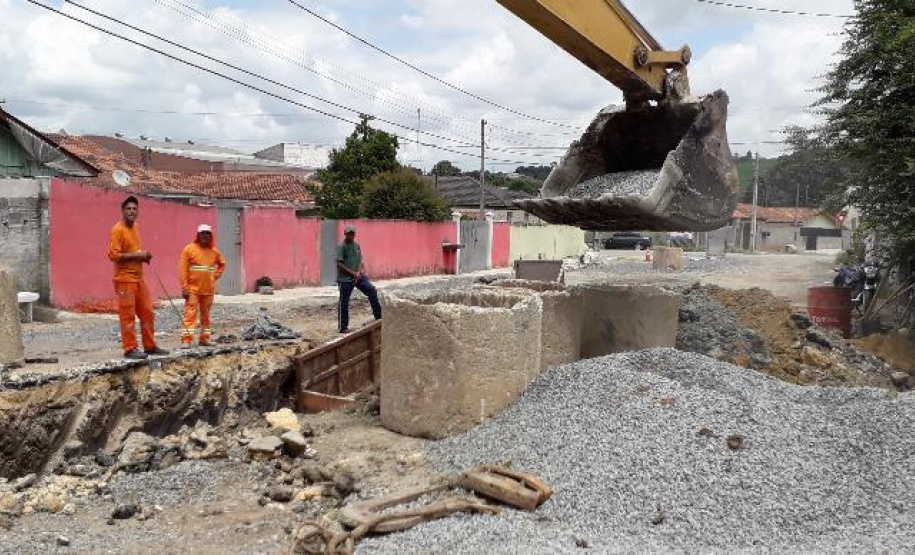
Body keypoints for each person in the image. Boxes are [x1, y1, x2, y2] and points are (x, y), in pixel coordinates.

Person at [107, 196, 169, 360]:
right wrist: (137, 255)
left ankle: (149, 346)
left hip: (138, 278)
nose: (132, 211)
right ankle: (130, 349)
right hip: (125, 279)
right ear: (122, 211)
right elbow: (114, 255)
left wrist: (143, 257)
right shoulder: (117, 229)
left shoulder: (136, 228)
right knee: (127, 316)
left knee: (147, 312)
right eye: (128, 209)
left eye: (134, 209)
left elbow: (134, 252)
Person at [179, 224, 226, 347]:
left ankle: (205, 339)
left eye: (207, 233)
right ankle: (187, 340)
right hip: (192, 289)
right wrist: (184, 287)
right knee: (190, 314)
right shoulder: (189, 249)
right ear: (198, 235)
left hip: (208, 289)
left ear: (211, 236)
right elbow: (183, 270)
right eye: (203, 233)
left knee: (206, 315)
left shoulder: (214, 252)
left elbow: (222, 264)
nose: (205, 236)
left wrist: (215, 276)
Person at [336, 225, 381, 333]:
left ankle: (379, 317)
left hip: (358, 276)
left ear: (354, 234)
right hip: (345, 279)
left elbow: (360, 259)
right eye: (348, 233)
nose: (350, 235)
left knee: (371, 290)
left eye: (352, 233)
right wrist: (353, 274)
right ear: (345, 234)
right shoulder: (341, 246)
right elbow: (339, 263)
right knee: (344, 301)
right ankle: (343, 327)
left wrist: (359, 272)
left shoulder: (357, 245)